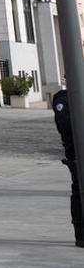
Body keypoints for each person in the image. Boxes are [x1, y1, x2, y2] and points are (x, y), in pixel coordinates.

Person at [56, 86, 83, 247]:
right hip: (75, 154)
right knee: (78, 193)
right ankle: (80, 233)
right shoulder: (63, 99)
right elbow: (65, 125)